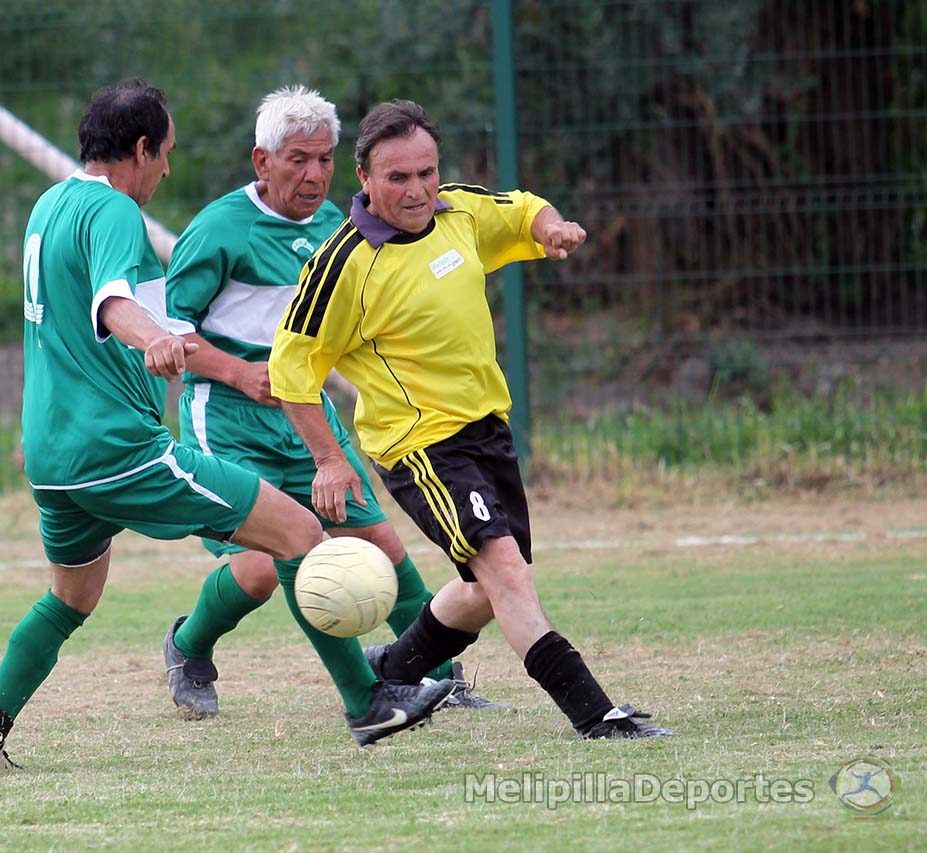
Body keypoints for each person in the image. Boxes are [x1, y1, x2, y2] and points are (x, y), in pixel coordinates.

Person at [0, 82, 454, 773]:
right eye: (165, 154)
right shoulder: (115, 210)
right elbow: (116, 301)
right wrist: (152, 338)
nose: (167, 171)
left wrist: (154, 335)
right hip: (116, 448)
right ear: (142, 148)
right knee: (300, 531)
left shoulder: (50, 204)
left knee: (72, 598)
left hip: (51, 455)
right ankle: (367, 702)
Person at [267, 99, 673, 740]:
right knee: (507, 573)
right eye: (397, 177)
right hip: (421, 445)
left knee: (485, 590)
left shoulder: (458, 211)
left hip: (488, 430)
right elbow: (291, 372)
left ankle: (390, 674)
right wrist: (328, 458)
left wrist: (554, 227)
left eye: (426, 172)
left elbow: (521, 207)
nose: (417, 189)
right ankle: (597, 715)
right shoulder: (341, 265)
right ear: (365, 179)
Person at [161, 85, 503, 719]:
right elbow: (168, 334)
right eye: (297, 159)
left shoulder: (345, 227)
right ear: (262, 162)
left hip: (307, 417)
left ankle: (441, 677)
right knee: (262, 570)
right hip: (229, 424)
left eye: (324, 159)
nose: (313, 174)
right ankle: (188, 646)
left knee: (381, 543)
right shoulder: (216, 231)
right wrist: (238, 373)